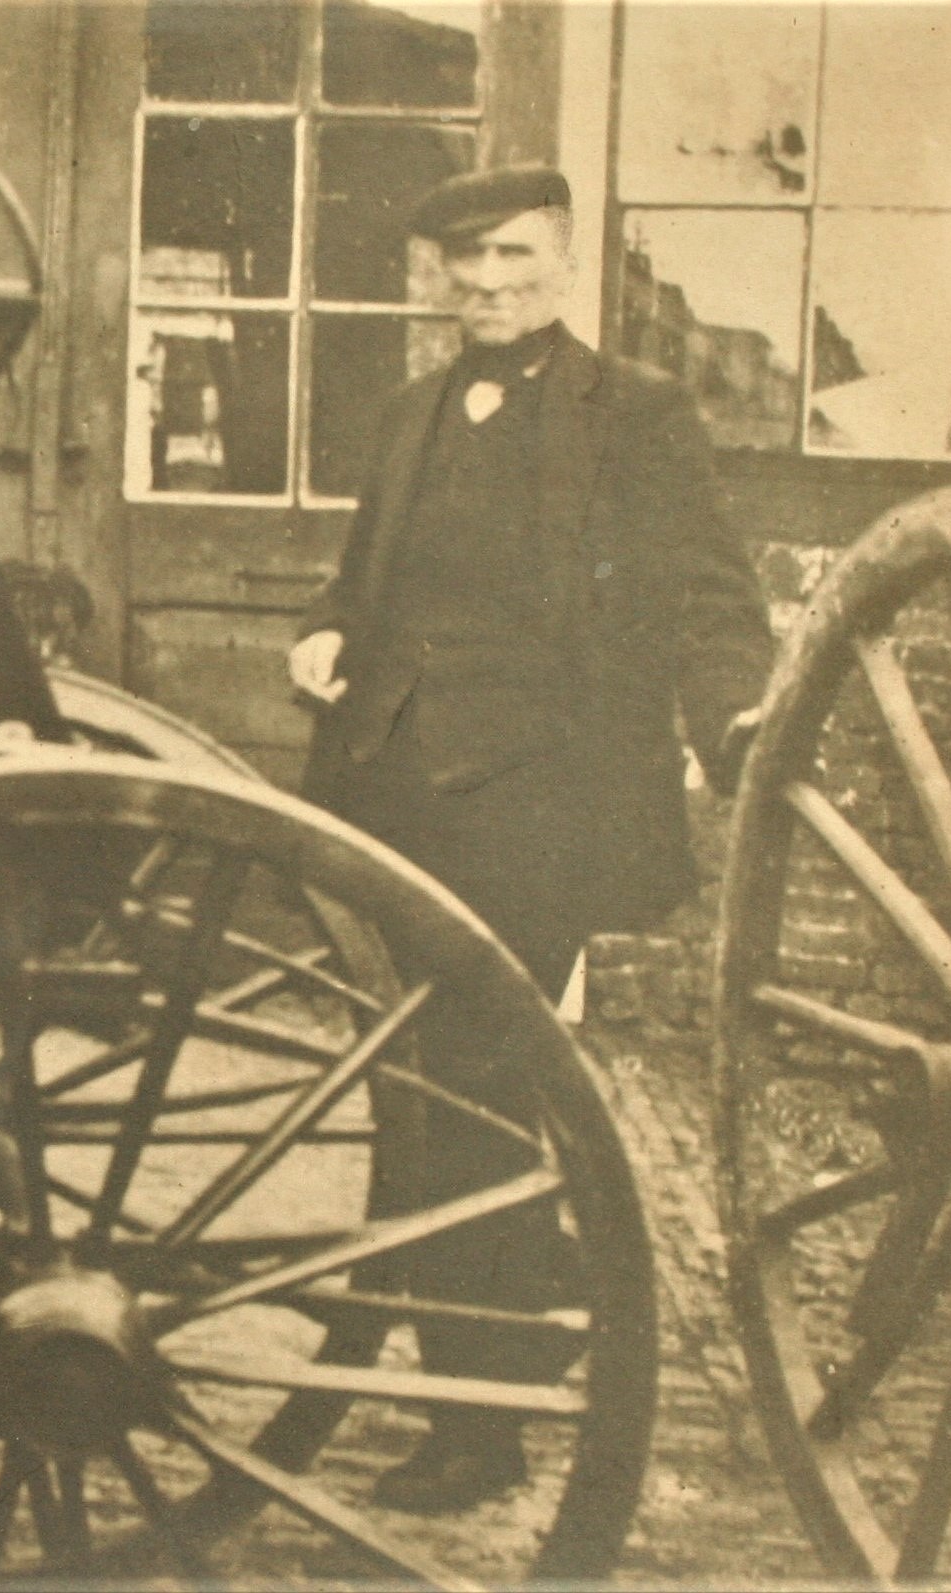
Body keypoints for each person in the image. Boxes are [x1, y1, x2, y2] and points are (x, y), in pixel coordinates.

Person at [287, 165, 773, 1513]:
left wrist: (737, 717)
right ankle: (527, 1306)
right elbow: (361, 581)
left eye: (513, 255)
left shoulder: (640, 414)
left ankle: (479, 1423)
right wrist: (325, 630)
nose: (489, 281)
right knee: (438, 1089)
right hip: (392, 794)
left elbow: (708, 591)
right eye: (467, 260)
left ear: (563, 259)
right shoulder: (410, 414)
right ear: (438, 272)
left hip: (542, 802)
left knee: (468, 1089)